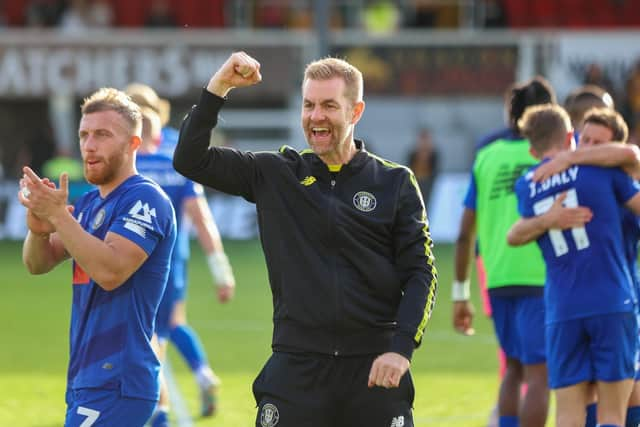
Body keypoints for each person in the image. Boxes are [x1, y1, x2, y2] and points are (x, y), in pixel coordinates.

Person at [173, 51, 437, 426]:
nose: (316, 117)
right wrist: (220, 87)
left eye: (329, 105)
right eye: (309, 105)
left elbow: (420, 273)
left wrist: (401, 349)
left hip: (374, 371)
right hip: (296, 369)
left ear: (355, 111)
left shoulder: (394, 182)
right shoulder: (275, 173)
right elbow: (189, 159)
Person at [19, 87, 177, 427]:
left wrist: (59, 216)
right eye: (84, 135)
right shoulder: (91, 203)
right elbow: (37, 263)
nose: (89, 145)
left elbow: (111, 271)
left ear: (133, 144)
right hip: (86, 377)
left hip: (118, 378)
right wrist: (39, 229)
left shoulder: (145, 200)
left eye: (102, 135)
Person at [508, 107, 640, 427]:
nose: (589, 147)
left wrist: (545, 220)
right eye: (585, 140)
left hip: (562, 310)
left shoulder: (528, 184)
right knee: (612, 415)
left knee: (568, 416)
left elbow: (516, 233)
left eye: (597, 143)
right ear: (573, 137)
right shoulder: (605, 174)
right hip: (612, 302)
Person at [452, 76, 555, 427]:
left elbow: (465, 232)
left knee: (512, 368)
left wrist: (460, 291)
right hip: (540, 274)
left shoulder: (487, 156)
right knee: (539, 374)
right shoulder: (550, 157)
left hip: (497, 276)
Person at [136, 106, 235, 423]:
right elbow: (201, 218)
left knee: (147, 337)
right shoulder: (175, 162)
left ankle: (158, 412)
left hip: (132, 263)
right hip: (173, 262)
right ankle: (203, 376)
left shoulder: (129, 166)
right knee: (170, 327)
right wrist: (221, 270)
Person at [407, 128, 439, 208]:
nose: (424, 143)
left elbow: (435, 171)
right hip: (416, 184)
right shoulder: (412, 155)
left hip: (429, 185)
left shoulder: (434, 156)